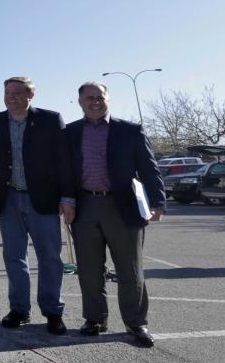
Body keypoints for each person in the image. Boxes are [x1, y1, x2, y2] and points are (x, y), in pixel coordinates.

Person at [65, 82, 165, 347]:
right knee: (88, 269)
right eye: (89, 98)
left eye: (100, 97)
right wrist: (65, 201)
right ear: (79, 102)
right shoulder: (70, 132)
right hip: (85, 206)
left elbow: (149, 168)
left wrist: (158, 203)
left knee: (130, 269)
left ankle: (136, 323)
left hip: (123, 207)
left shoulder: (130, 131)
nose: (95, 102)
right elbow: (63, 171)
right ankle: (95, 319)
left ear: (108, 99)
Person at [0, 76, 75, 334]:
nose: (11, 97)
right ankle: (19, 309)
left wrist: (67, 197)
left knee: (50, 258)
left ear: (30, 95)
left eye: (18, 93)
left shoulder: (50, 120)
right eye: (7, 92)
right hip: (8, 199)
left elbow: (64, 161)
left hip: (43, 200)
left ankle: (53, 311)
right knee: (13, 257)